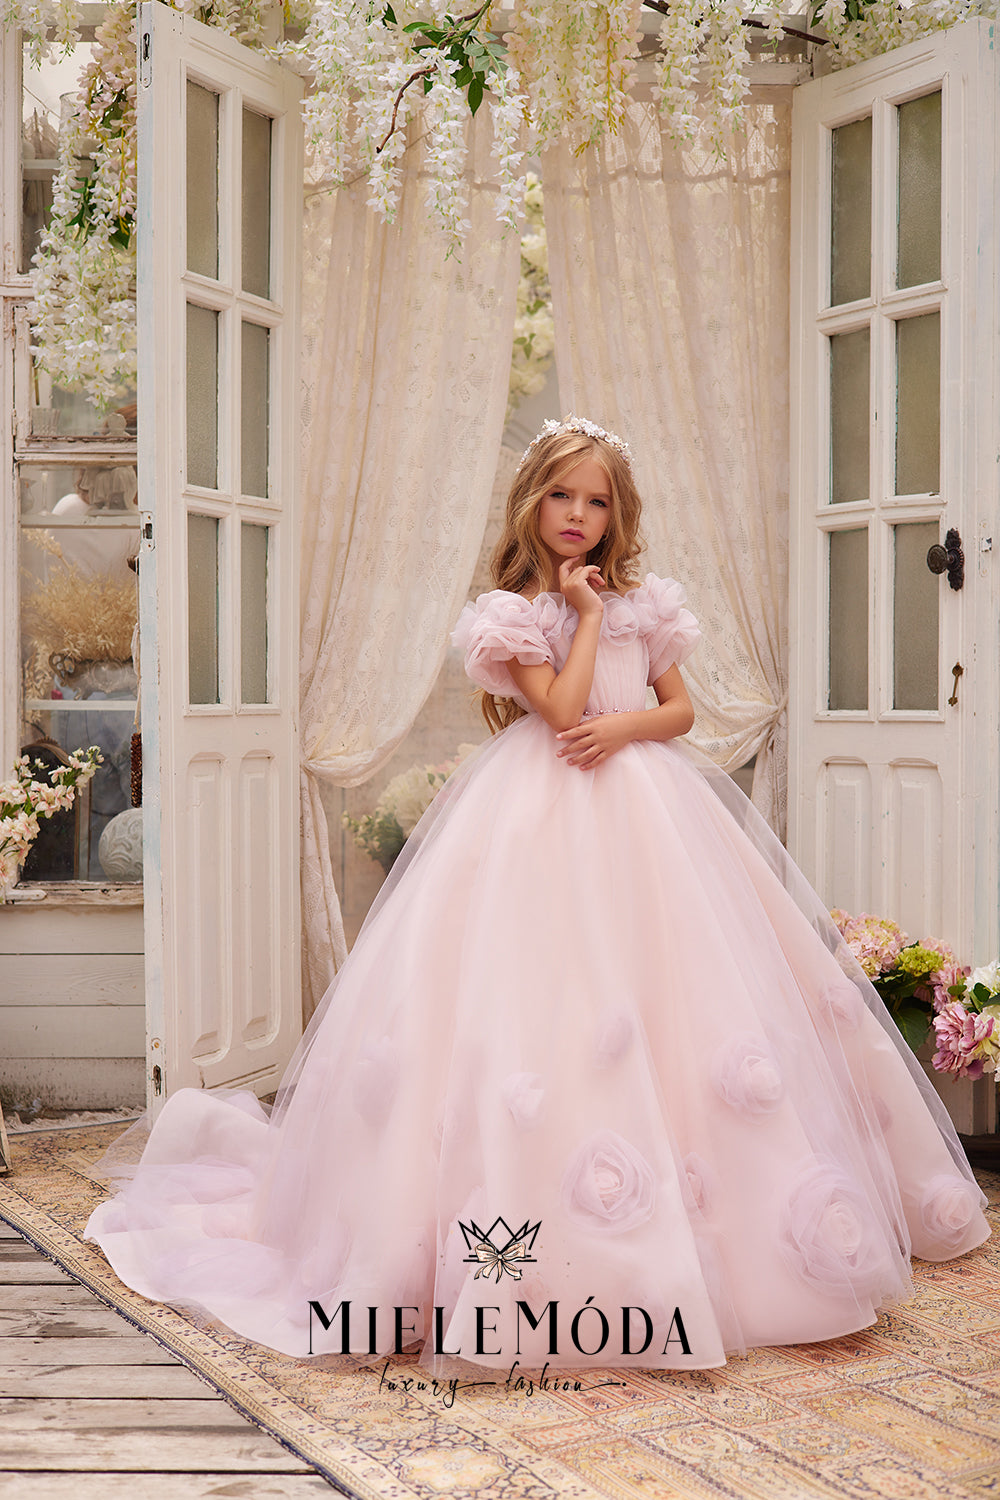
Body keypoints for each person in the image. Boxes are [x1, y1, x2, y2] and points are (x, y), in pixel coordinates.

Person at [85, 417, 989, 1375]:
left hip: (647, 806)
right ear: (533, 503)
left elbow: (681, 710)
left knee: (675, 996)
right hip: (537, 812)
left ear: (616, 514)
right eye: (563, 496)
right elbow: (557, 713)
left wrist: (625, 723)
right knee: (541, 998)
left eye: (598, 502)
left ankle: (721, 1235)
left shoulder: (647, 605)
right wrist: (583, 620)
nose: (580, 516)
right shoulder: (509, 614)